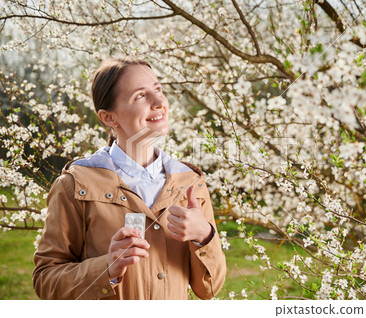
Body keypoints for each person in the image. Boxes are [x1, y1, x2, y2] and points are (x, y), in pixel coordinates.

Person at [32, 57, 227, 300]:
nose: (159, 102)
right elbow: (45, 280)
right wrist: (107, 267)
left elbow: (208, 289)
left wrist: (204, 236)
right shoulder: (75, 185)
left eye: (158, 90)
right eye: (140, 96)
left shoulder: (190, 183)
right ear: (108, 118)